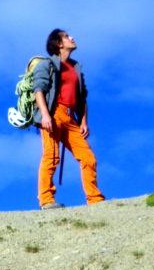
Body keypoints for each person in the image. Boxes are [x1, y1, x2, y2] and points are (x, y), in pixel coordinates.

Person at [32, 29, 105, 209]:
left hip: (70, 118)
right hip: (53, 113)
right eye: (66, 36)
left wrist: (83, 121)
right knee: (51, 156)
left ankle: (95, 199)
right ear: (59, 43)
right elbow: (38, 90)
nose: (72, 38)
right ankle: (46, 199)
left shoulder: (76, 67)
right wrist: (46, 115)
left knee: (88, 157)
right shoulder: (47, 64)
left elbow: (83, 97)